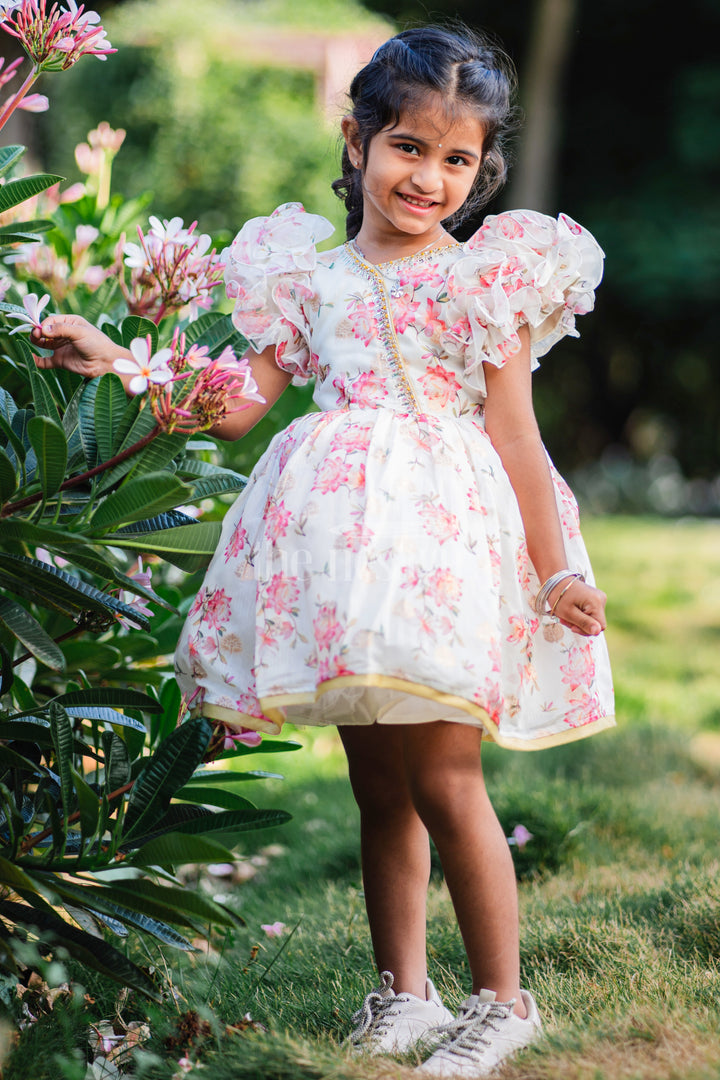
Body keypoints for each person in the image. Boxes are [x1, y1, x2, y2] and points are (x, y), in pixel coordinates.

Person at [32, 24, 614, 1077]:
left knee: (445, 774)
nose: (428, 176)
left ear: (483, 170)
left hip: (441, 549)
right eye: (407, 147)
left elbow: (518, 438)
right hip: (338, 562)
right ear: (357, 143)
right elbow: (232, 409)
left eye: (456, 158)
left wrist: (559, 567)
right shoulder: (305, 276)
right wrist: (121, 360)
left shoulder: (487, 284)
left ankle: (503, 1001)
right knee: (378, 784)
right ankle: (405, 994)